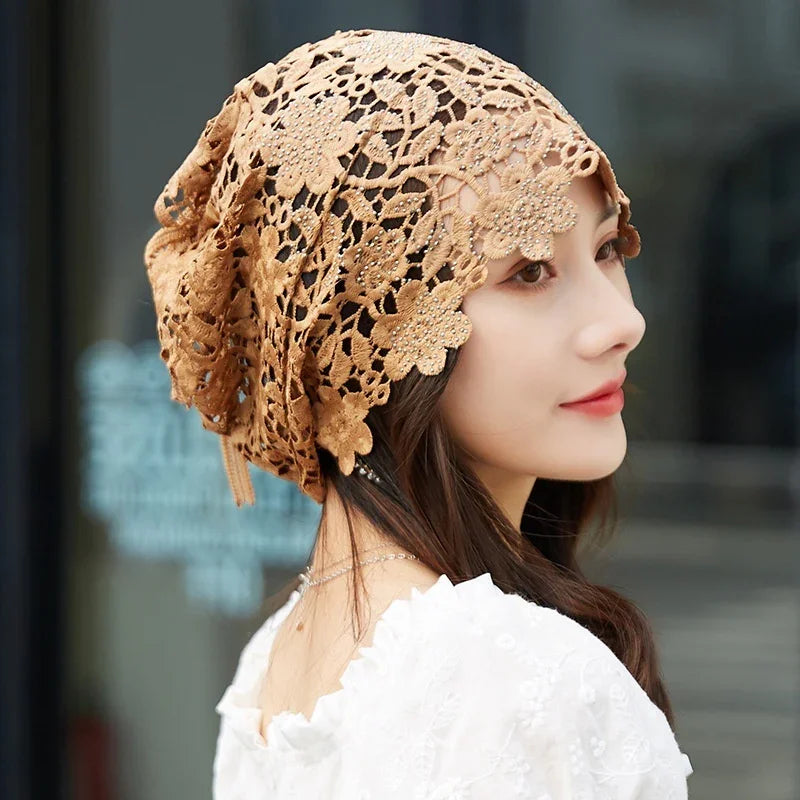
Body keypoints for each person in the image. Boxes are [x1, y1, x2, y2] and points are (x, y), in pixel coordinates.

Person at [143, 28, 694, 798]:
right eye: (530, 272)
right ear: (378, 337)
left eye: (606, 250)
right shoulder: (534, 686)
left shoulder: (276, 665)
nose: (620, 322)